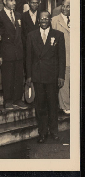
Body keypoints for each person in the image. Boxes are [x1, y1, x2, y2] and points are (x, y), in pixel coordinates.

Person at [26, 11, 65, 143]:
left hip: (52, 76)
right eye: (41, 18)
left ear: (50, 20)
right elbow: (28, 58)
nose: (44, 20)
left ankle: (54, 131)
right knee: (40, 106)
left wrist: (61, 76)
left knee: (53, 105)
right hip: (37, 76)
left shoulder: (58, 35)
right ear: (38, 21)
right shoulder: (31, 36)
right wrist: (29, 76)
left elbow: (62, 58)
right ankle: (42, 133)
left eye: (46, 18)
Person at [0, 0, 27, 110]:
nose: (14, 3)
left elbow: (22, 34)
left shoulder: (18, 15)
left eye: (15, 0)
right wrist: (0, 54)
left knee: (18, 76)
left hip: (18, 51)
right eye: (11, 0)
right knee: (8, 77)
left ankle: (18, 99)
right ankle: (8, 100)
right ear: (4, 2)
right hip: (7, 51)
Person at [51, 0, 70, 114]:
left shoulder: (76, 19)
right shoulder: (54, 20)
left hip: (73, 56)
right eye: (63, 6)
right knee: (64, 81)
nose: (64, 8)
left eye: (67, 6)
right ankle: (65, 106)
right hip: (62, 56)